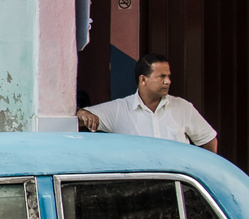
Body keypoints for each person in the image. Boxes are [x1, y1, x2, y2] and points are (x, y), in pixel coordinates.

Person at [76, 53, 218, 152]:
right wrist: (82, 112)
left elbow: (209, 140)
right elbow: (77, 118)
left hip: (176, 188)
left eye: (168, 76)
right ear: (143, 80)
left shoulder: (182, 107)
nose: (168, 81)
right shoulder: (120, 109)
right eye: (162, 76)